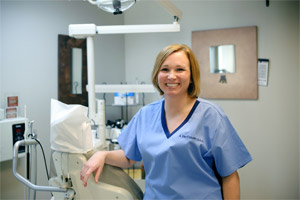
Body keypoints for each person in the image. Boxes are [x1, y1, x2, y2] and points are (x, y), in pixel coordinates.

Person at [80, 44, 252, 199]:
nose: (171, 76)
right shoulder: (145, 115)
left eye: (180, 69)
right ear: (157, 75)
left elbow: (229, 175)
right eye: (165, 69)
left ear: (191, 76)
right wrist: (102, 154)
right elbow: (129, 157)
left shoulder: (211, 116)